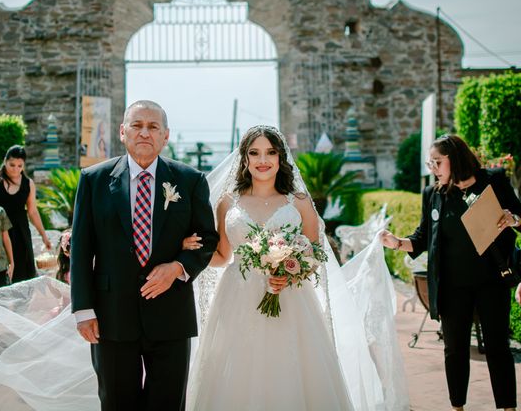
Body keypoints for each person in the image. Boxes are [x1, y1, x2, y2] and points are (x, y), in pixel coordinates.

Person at [183, 126, 357, 409]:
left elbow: (314, 252)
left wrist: (291, 274)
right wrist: (193, 251)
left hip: (291, 299)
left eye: (270, 152)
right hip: (236, 298)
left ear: (280, 157)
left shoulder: (298, 202)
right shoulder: (228, 203)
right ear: (245, 159)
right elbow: (223, 256)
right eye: (254, 153)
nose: (262, 160)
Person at [70, 100, 219, 410]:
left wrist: (177, 267)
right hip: (111, 317)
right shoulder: (93, 180)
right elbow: (82, 249)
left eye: (153, 127)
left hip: (171, 316)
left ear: (165, 136)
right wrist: (83, 309)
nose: (144, 133)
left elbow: (207, 239)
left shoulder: (190, 180)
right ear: (123, 132)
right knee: (115, 402)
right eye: (137, 125)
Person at [381, 134, 521, 411]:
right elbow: (422, 237)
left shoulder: (493, 181)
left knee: (497, 347)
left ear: (454, 159)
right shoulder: (433, 194)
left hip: (492, 281)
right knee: (454, 349)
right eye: (429, 162)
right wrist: (397, 242)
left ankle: (508, 407)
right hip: (452, 286)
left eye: (437, 162)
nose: (432, 168)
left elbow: (519, 217)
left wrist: (512, 219)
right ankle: (458, 406)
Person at [0, 145, 51, 283]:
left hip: (20, 234)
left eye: (19, 166)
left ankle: (22, 304)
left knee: (22, 275)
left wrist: (44, 236)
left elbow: (33, 212)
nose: (15, 169)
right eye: (12, 165)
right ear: (5, 161)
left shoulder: (29, 184)